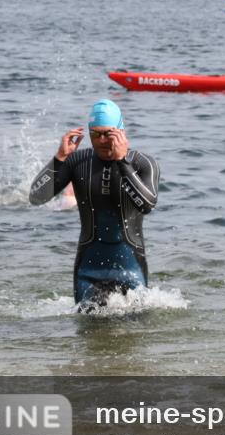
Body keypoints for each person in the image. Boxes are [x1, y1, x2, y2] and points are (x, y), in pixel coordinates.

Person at [29, 100, 159, 309]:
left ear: (121, 131)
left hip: (131, 267)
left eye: (108, 133)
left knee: (137, 326)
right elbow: (36, 197)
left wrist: (122, 162)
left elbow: (147, 205)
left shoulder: (142, 163)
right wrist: (60, 158)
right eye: (96, 134)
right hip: (88, 270)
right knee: (86, 326)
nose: (102, 140)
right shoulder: (77, 161)